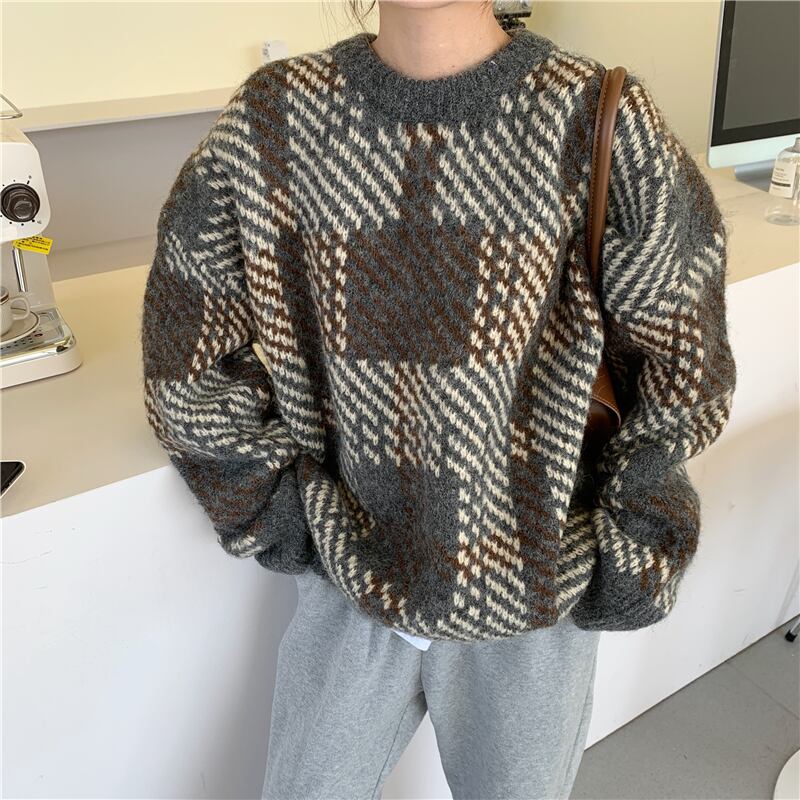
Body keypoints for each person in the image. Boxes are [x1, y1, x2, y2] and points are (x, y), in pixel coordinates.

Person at [139, 0, 737, 797]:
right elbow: (186, 358)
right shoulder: (272, 120)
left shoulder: (597, 115)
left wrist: (625, 547)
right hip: (347, 582)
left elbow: (684, 368)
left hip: (535, 588)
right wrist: (285, 520)